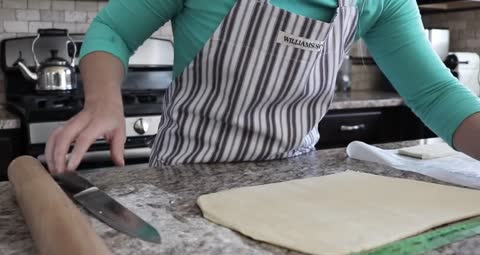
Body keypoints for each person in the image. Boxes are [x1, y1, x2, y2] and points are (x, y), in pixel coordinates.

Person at [45, 0, 480, 174]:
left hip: (294, 180)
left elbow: (436, 93)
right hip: (185, 175)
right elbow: (113, 30)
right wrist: (104, 100)